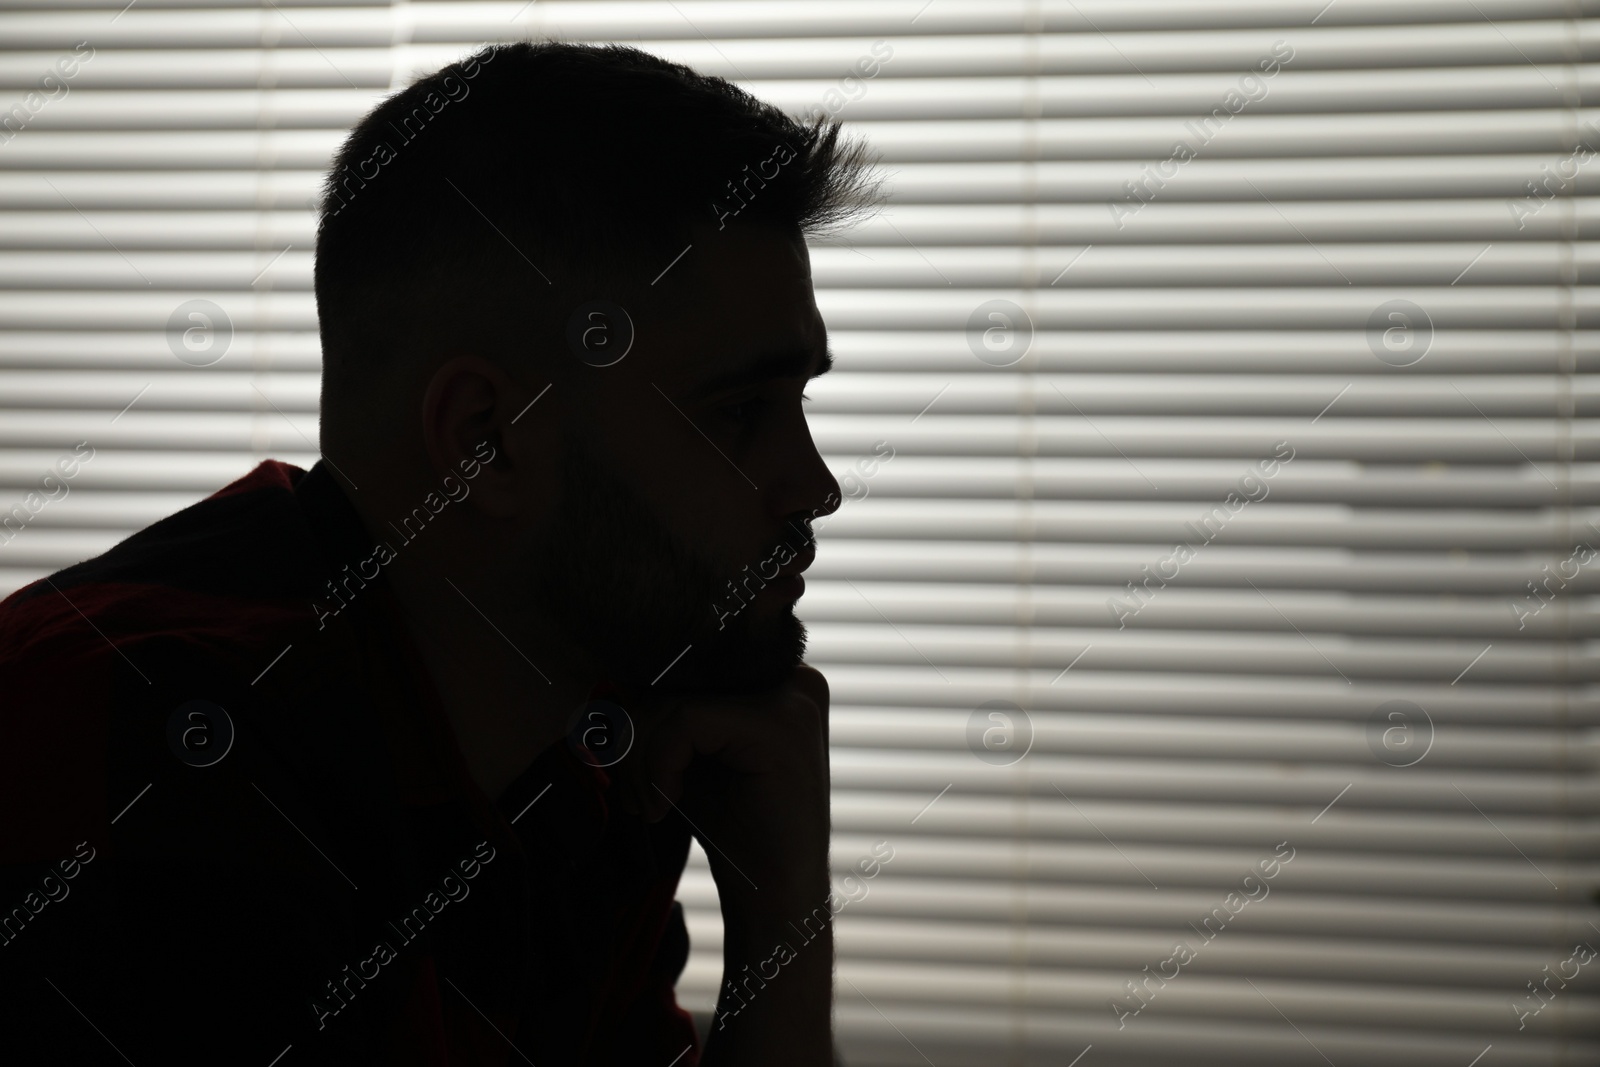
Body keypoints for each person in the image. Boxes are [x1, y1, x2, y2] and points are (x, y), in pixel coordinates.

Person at [0, 39, 880, 1066]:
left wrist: (782, 904)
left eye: (799, 401)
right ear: (485, 440)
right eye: (739, 412)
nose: (815, 484)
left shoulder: (600, 739)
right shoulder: (139, 755)